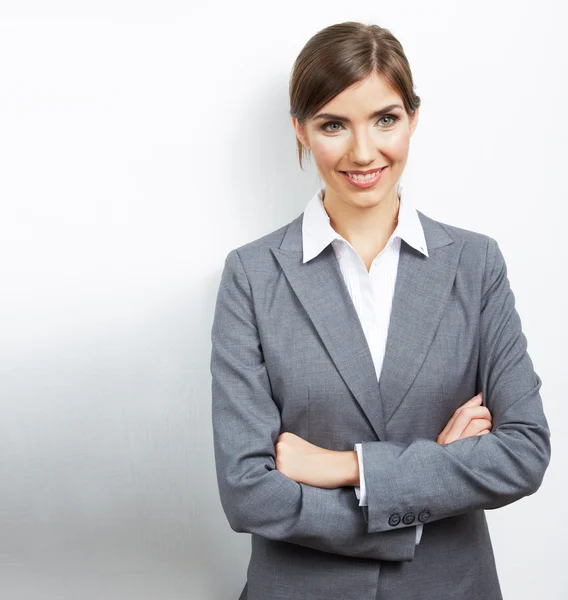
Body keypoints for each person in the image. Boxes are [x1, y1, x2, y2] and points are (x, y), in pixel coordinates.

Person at [210, 21, 551, 600]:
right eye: (333, 124)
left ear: (413, 119)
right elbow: (249, 493)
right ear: (300, 130)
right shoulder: (252, 275)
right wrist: (425, 486)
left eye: (385, 119)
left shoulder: (475, 264)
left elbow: (523, 452)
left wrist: (352, 468)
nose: (363, 151)